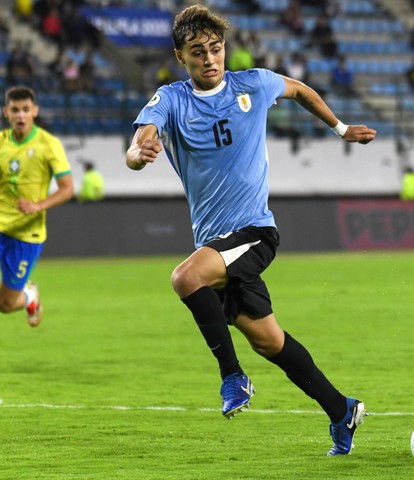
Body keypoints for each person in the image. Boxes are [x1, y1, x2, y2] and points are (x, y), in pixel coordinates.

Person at [125, 5, 376, 456]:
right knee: (269, 341)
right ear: (180, 56)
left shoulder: (253, 84)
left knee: (185, 277)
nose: (209, 58)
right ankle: (342, 409)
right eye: (197, 52)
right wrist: (138, 154)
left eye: (216, 49)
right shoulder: (172, 99)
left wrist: (340, 129)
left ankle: (232, 377)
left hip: (255, 233)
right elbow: (141, 137)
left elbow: (299, 90)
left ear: (226, 49)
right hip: (216, 245)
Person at [0, 85, 74, 326]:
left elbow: (67, 188)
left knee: (6, 304)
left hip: (26, 235)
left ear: (35, 111)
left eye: (25, 110)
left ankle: (29, 295)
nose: (20, 115)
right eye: (15, 110)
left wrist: (37, 206)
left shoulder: (48, 144)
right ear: (6, 113)